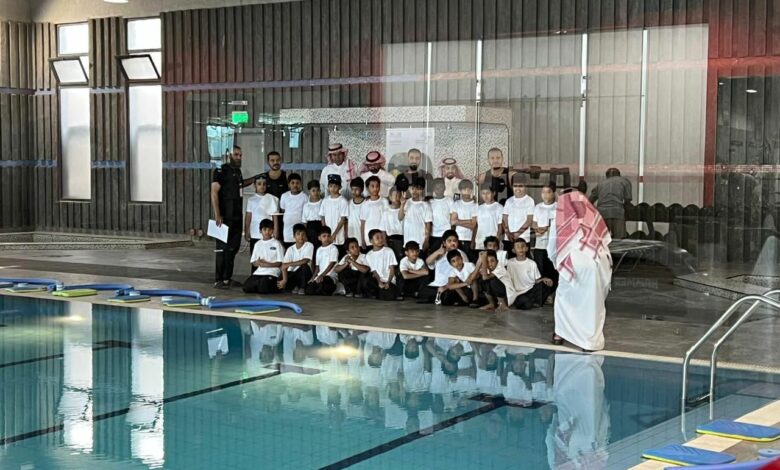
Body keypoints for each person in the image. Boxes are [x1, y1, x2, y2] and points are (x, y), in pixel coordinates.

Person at [548, 190, 612, 351]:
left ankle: (560, 334)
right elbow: (604, 244)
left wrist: (556, 262)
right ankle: (589, 342)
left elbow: (552, 248)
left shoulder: (560, 218)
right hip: (595, 263)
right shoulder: (593, 217)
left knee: (564, 299)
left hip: (571, 263)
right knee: (591, 302)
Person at [211, 145, 257, 289]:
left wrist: (255, 178)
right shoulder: (220, 170)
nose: (239, 157)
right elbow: (214, 192)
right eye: (236, 155)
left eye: (240, 155)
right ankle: (218, 279)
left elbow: (241, 185)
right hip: (224, 217)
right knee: (222, 249)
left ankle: (227, 278)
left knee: (233, 248)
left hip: (236, 216)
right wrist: (217, 214)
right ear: (229, 155)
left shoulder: (237, 172)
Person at [419, 230, 466, 303]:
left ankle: (438, 297)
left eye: (455, 241)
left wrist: (447, 286)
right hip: (436, 286)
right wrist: (437, 252)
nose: (452, 243)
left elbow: (464, 272)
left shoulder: (460, 253)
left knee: (447, 295)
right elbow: (428, 262)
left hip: (450, 286)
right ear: (444, 243)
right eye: (449, 241)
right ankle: (438, 297)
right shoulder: (440, 253)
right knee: (422, 291)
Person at [507, 239, 554, 310]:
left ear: (526, 248)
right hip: (518, 294)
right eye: (518, 247)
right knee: (526, 304)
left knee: (546, 285)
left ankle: (535, 301)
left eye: (523, 246)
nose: (521, 248)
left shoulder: (532, 263)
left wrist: (544, 279)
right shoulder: (510, 263)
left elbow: (536, 281)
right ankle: (535, 301)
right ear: (513, 250)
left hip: (531, 290)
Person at [243, 218, 285, 294]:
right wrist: (258, 263)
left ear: (272, 231)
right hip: (259, 272)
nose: (267, 232)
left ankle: (272, 286)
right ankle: (259, 285)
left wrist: (266, 264)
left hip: (272, 272)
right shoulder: (257, 244)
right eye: (265, 229)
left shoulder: (277, 243)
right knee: (246, 287)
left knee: (263, 287)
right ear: (260, 231)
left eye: (269, 230)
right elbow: (253, 262)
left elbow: (280, 263)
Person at [358, 229, 402, 301]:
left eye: (382, 237)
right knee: (365, 280)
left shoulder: (389, 251)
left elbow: (392, 270)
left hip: (389, 281)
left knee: (389, 295)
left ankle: (381, 293)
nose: (380, 240)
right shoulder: (369, 255)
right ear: (371, 241)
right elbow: (374, 271)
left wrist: (388, 282)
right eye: (377, 238)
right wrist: (379, 282)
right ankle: (378, 293)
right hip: (377, 281)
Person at [589, 167, 632, 239]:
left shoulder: (600, 183)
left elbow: (590, 200)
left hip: (602, 213)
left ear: (607, 175)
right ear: (619, 174)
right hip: (617, 212)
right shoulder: (624, 181)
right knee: (619, 239)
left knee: (602, 238)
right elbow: (628, 199)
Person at [245, 176, 281, 259]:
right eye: (259, 184)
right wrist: (246, 231)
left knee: (268, 257)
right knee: (255, 257)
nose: (262, 186)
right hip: (255, 233)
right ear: (255, 185)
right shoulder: (251, 200)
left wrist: (276, 231)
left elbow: (275, 216)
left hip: (268, 232)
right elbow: (248, 217)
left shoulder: (272, 199)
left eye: (264, 184)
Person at [532, 181, 559, 290]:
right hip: (540, 245)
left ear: (554, 193)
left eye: (548, 192)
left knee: (553, 271)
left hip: (553, 245)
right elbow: (534, 223)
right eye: (543, 192)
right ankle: (543, 294)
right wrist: (537, 228)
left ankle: (553, 293)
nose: (545, 195)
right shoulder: (538, 207)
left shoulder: (558, 207)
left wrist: (547, 229)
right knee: (540, 271)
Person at [502, 173, 535, 254]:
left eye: (520, 186)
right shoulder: (509, 201)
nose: (518, 189)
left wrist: (517, 233)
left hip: (523, 238)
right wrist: (507, 232)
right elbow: (505, 218)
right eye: (515, 186)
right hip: (508, 238)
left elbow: (529, 220)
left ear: (525, 186)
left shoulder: (530, 201)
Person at [399, 177, 432, 255]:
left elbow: (428, 224)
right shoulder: (406, 202)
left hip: (420, 242)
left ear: (422, 190)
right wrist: (402, 204)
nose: (415, 191)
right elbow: (400, 217)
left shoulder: (425, 205)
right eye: (413, 188)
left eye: (418, 189)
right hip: (407, 242)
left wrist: (426, 240)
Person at [278, 223, 314, 295]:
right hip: (293, 274)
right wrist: (284, 280)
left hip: (304, 274)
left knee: (304, 266)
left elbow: (305, 260)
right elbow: (284, 266)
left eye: (303, 234)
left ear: (306, 235)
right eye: (298, 234)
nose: (301, 236)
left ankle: (302, 287)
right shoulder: (290, 249)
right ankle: (294, 286)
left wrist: (289, 264)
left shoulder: (309, 245)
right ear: (294, 236)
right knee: (280, 278)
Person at [319, 174, 349, 256]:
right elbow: (322, 217)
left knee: (338, 256)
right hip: (327, 237)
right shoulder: (325, 201)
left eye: (335, 186)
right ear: (328, 187)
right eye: (331, 186)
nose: (333, 188)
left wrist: (334, 234)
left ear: (340, 187)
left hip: (338, 236)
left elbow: (343, 220)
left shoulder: (343, 201)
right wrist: (325, 233)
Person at [305, 226, 339, 296]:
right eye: (324, 236)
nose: (326, 238)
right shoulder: (319, 250)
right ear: (319, 238)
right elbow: (317, 268)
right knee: (308, 290)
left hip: (330, 277)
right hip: (320, 276)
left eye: (328, 236)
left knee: (324, 286)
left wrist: (322, 275)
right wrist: (312, 278)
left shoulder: (333, 248)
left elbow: (332, 264)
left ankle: (337, 287)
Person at [450, 179, 478, 259]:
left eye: (468, 190)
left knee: (469, 260)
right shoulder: (456, 204)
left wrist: (458, 222)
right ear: (460, 191)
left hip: (469, 239)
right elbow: (452, 222)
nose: (466, 192)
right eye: (464, 190)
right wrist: (469, 221)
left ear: (471, 190)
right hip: (458, 238)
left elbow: (473, 225)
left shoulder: (475, 205)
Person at [359, 176, 389, 249]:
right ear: (367, 188)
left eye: (377, 186)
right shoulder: (365, 204)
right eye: (372, 186)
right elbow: (362, 223)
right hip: (369, 238)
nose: (375, 189)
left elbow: (386, 220)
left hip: (381, 238)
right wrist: (362, 240)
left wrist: (384, 238)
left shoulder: (384, 201)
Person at [278, 173, 306, 249]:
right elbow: (283, 210)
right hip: (287, 230)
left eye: (297, 183)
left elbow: (305, 214)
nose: (295, 185)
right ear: (289, 185)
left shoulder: (304, 197)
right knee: (288, 250)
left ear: (300, 184)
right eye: (292, 183)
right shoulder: (284, 196)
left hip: (300, 231)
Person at [475, 183, 503, 250]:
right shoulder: (479, 208)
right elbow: (476, 226)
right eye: (483, 193)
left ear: (493, 193)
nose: (485, 196)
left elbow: (500, 226)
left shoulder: (499, 207)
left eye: (488, 193)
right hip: (480, 241)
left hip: (493, 243)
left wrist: (497, 240)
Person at [428, 178, 452, 253]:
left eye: (441, 187)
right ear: (433, 189)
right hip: (434, 234)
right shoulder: (430, 202)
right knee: (434, 255)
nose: (439, 190)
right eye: (437, 188)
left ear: (444, 188)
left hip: (446, 233)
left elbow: (452, 217)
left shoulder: (449, 200)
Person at [383, 186, 404, 259]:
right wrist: (385, 242)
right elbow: (383, 229)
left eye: (399, 195)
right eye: (395, 195)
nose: (397, 198)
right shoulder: (386, 211)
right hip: (390, 239)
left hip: (402, 238)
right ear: (390, 197)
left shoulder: (404, 209)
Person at [302, 180, 323, 249]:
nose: (316, 193)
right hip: (310, 229)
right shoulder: (306, 205)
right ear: (309, 191)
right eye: (313, 191)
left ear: (320, 191)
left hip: (320, 227)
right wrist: (305, 235)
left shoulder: (323, 203)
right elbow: (304, 222)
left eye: (318, 190)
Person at [347, 177, 365, 243]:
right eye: (352, 189)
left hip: (362, 238)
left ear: (362, 190)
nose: (354, 192)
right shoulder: (348, 203)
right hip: (351, 237)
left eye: (356, 189)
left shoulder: (366, 203)